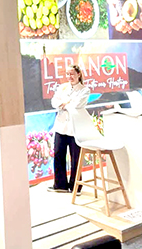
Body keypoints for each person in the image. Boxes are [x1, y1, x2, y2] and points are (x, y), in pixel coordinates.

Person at [49, 64, 91, 193]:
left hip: (74, 128)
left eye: (72, 74)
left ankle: (75, 187)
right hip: (61, 127)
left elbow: (77, 105)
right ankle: (60, 185)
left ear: (78, 74)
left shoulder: (85, 90)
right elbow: (54, 102)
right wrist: (66, 103)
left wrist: (63, 104)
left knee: (76, 158)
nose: (69, 76)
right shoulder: (62, 88)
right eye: (67, 74)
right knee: (58, 155)